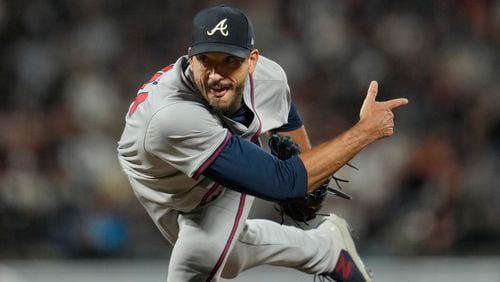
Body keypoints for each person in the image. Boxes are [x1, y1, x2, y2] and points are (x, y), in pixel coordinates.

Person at [117, 4, 408, 282]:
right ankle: (325, 249)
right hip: (158, 184)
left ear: (252, 60)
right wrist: (364, 131)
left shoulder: (269, 79)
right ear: (190, 57)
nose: (217, 74)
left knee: (197, 258)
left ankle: (325, 251)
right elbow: (284, 182)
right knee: (229, 258)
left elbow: (290, 133)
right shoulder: (172, 115)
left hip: (217, 173)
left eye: (230, 60)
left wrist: (308, 182)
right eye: (207, 60)